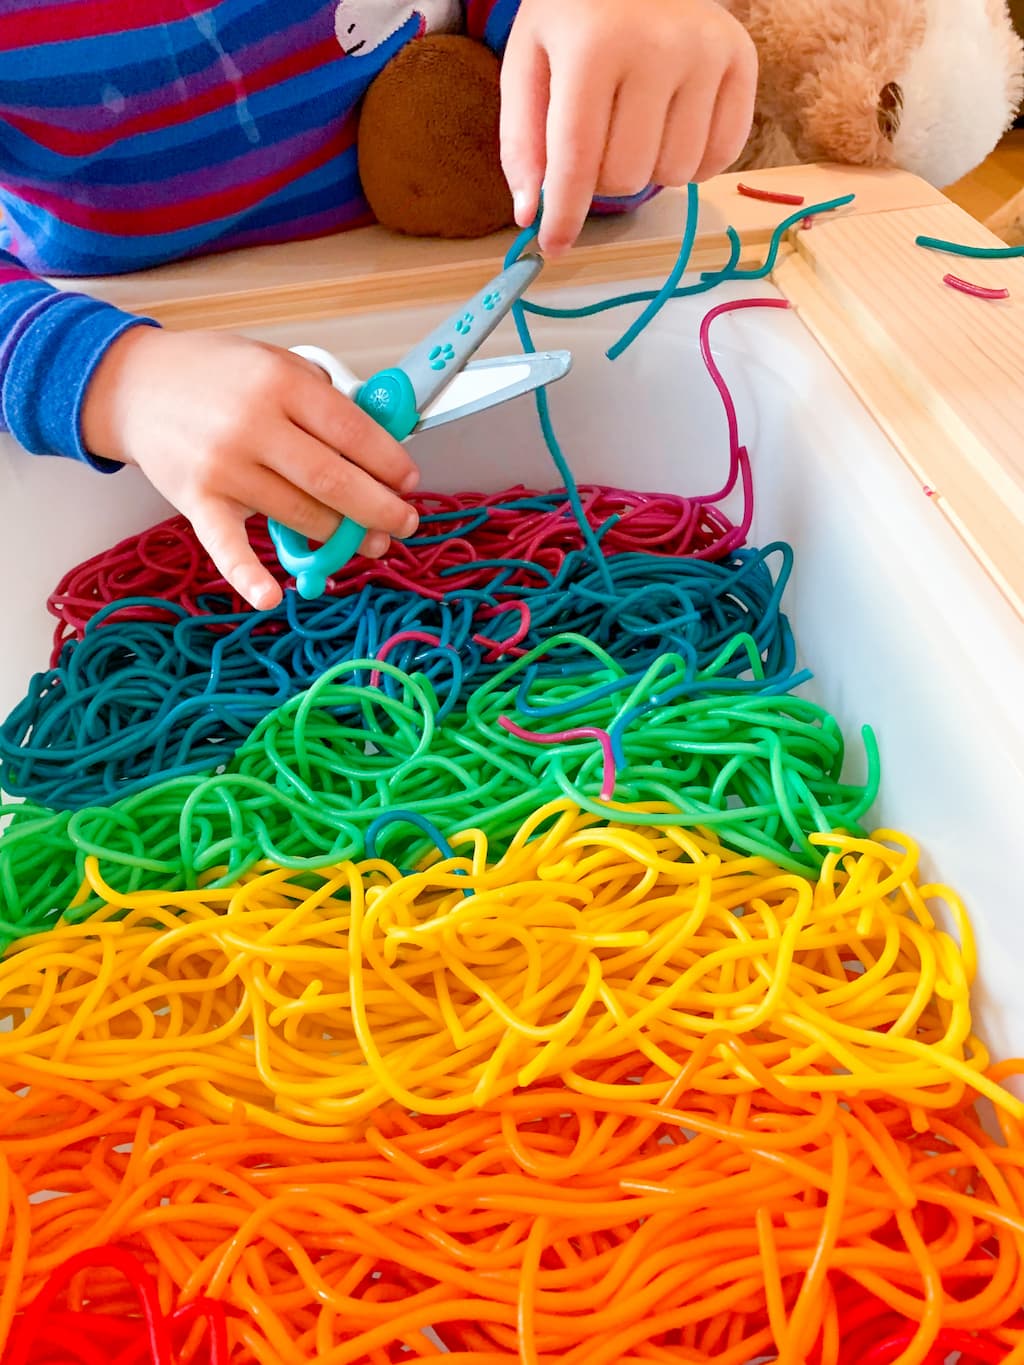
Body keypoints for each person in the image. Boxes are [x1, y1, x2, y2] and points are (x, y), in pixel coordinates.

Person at [0, 0, 756, 609]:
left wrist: (622, 50)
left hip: (475, 233)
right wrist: (112, 380)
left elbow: (603, 97)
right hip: (128, 346)